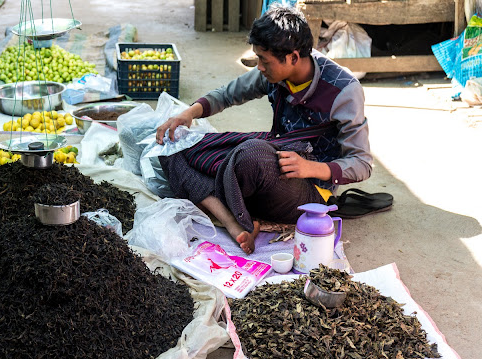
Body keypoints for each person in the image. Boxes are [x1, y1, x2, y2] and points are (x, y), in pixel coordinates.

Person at [155, 5, 372, 255]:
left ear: (292, 57)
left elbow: (362, 163)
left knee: (250, 156)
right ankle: (232, 221)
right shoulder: (275, 73)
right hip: (276, 155)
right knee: (172, 145)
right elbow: (228, 94)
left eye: (263, 60)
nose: (259, 66)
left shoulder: (344, 90)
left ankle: (225, 194)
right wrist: (188, 113)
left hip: (309, 189)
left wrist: (310, 168)